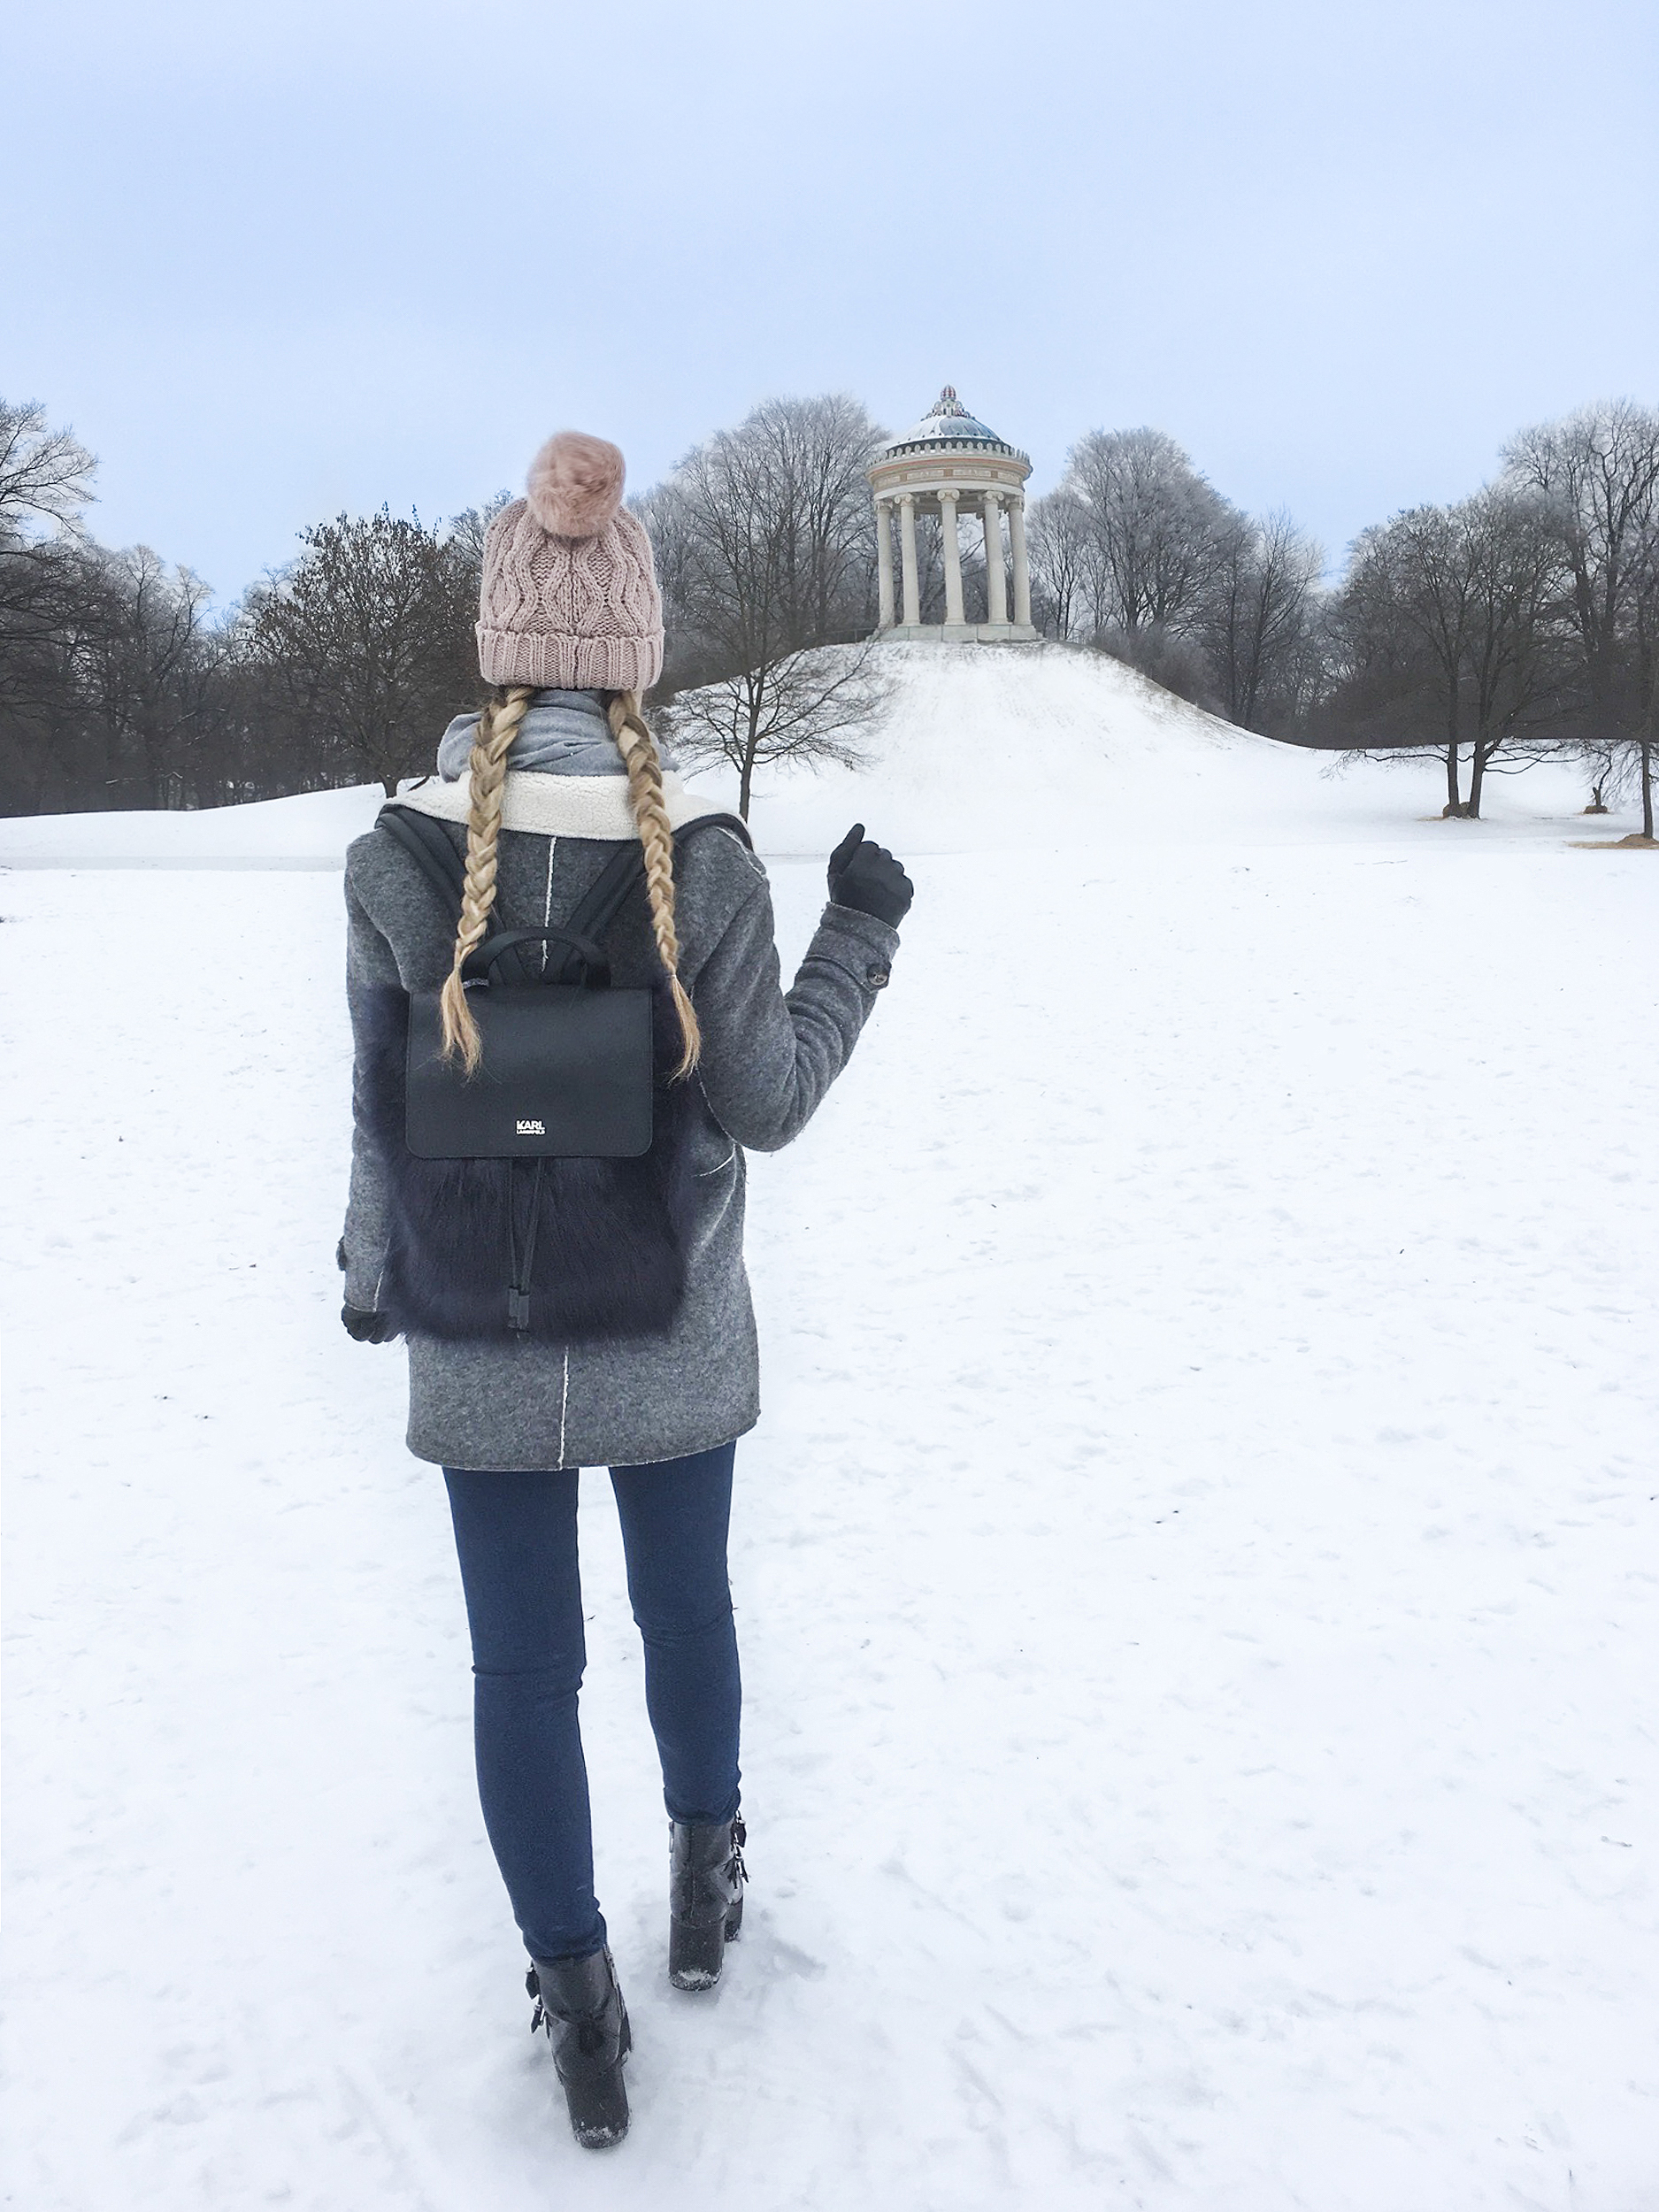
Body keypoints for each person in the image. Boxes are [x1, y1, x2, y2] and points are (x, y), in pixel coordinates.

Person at [336, 431, 911, 2149]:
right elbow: (765, 1104)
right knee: (686, 1615)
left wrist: (379, 1279)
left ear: (497, 645)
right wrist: (858, 935)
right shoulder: (712, 863)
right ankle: (699, 1874)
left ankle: (575, 1995)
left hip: (478, 1332)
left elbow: (375, 1105)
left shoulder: (390, 858)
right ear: (636, 651)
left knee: (520, 1676)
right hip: (669, 1325)